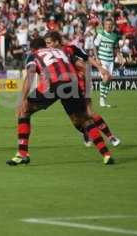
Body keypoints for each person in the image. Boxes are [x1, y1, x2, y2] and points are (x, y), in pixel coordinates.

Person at [7, 37, 114, 166]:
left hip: (52, 85)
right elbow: (82, 65)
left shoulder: (34, 55)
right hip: (72, 84)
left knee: (23, 112)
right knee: (85, 119)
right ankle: (106, 154)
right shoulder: (61, 52)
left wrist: (22, 100)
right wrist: (98, 72)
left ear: (33, 48)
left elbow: (30, 75)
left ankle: (22, 154)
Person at [44, 32, 121, 147]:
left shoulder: (69, 49)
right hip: (64, 88)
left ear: (56, 42)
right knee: (75, 119)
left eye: (49, 43)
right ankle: (85, 132)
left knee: (89, 113)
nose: (47, 46)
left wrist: (100, 69)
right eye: (46, 43)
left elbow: (85, 60)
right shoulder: (48, 54)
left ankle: (111, 137)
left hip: (80, 83)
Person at [94, 18, 120, 107]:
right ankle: (101, 99)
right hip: (102, 60)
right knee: (106, 76)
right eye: (107, 24)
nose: (108, 26)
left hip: (110, 61)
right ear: (104, 25)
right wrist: (97, 59)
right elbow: (95, 47)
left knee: (108, 79)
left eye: (110, 24)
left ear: (112, 26)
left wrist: (120, 57)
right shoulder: (101, 34)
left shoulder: (115, 36)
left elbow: (116, 48)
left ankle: (104, 99)